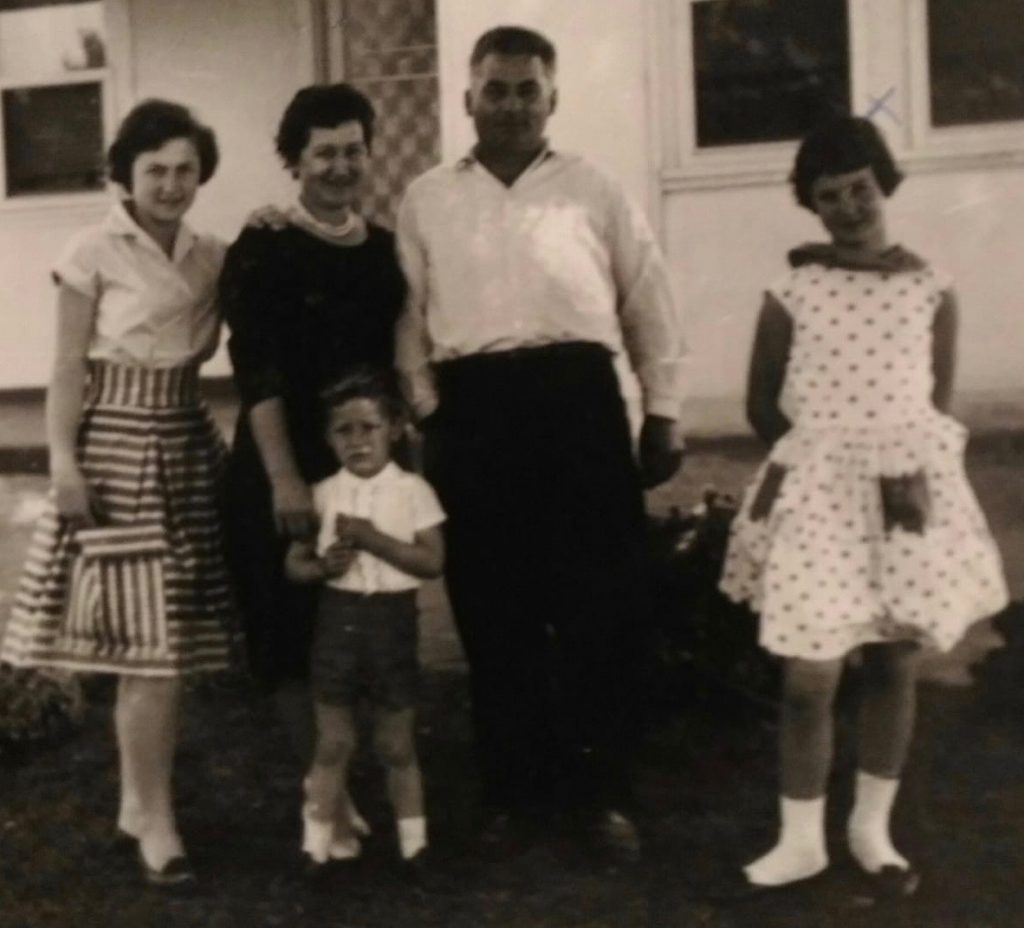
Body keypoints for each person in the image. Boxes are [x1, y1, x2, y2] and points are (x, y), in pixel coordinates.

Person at [395, 25, 686, 861]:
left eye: (528, 89)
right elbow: (409, 317)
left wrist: (661, 408)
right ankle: (513, 796)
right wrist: (425, 415)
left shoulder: (594, 189)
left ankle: (603, 797)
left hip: (578, 406)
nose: (513, 104)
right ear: (468, 98)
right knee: (496, 612)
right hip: (476, 414)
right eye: (497, 88)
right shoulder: (427, 197)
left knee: (599, 606)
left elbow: (647, 301)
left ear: (552, 98)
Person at [719, 115, 1009, 895]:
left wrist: (892, 469)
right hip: (818, 494)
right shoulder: (794, 287)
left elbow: (934, 406)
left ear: (884, 185)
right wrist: (822, 464)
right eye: (829, 197)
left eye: (859, 189)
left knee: (893, 658)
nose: (849, 208)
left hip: (902, 493)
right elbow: (759, 402)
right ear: (811, 207)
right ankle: (801, 837)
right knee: (809, 676)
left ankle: (869, 828)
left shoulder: (930, 288)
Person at [0, 100, 232, 886]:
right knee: (148, 649)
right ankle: (156, 821)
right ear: (126, 174)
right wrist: (62, 463)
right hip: (116, 453)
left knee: (166, 648)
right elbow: (67, 367)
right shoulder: (90, 247)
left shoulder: (213, 255)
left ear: (202, 174)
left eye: (185, 170)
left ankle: (141, 802)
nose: (170, 185)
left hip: (187, 448)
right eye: (155, 170)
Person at [219, 83, 406, 805]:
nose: (339, 166)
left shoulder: (386, 251)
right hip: (284, 457)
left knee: (362, 622)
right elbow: (256, 371)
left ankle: (357, 769)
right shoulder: (264, 246)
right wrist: (285, 481)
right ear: (293, 161)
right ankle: (325, 786)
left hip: (364, 462)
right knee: (288, 626)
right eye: (322, 152)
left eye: (352, 150)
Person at [283, 369, 444, 876]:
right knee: (334, 741)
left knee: (395, 742)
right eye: (343, 431)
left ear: (394, 429)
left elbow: (431, 562)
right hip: (338, 627)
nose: (356, 441)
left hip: (392, 627)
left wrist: (374, 540)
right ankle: (314, 849)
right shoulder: (322, 492)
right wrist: (319, 567)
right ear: (328, 439)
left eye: (367, 427)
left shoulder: (414, 490)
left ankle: (414, 847)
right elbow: (294, 563)